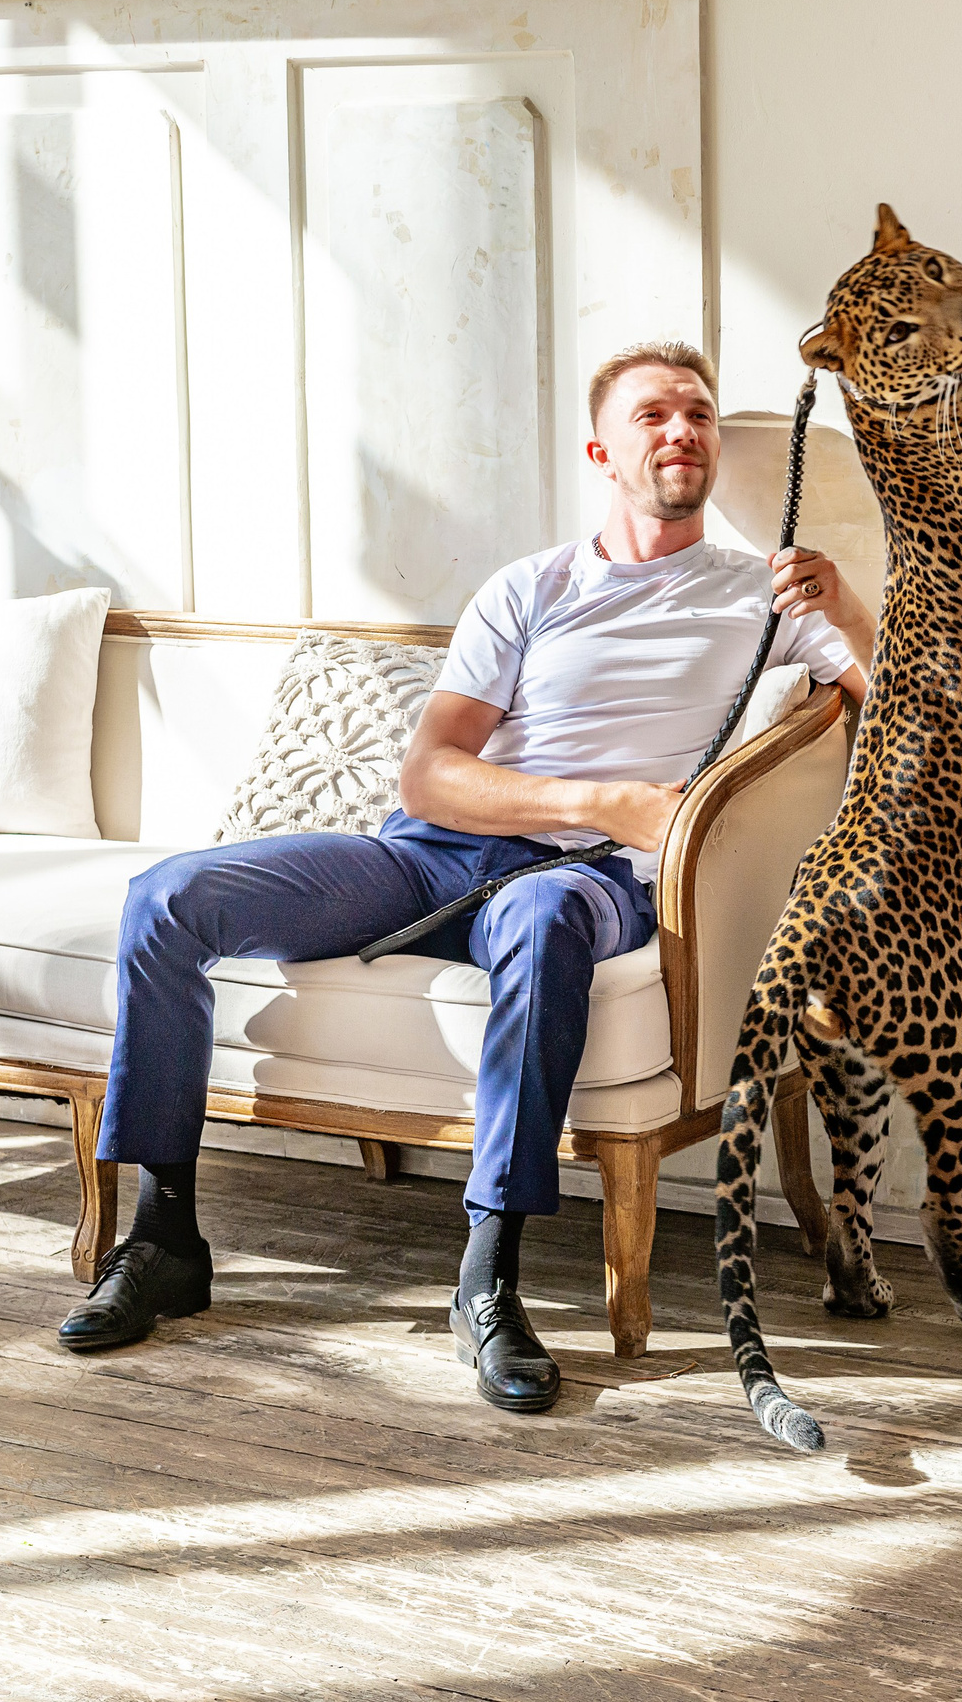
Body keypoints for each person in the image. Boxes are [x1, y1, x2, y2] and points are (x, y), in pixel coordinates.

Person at [57, 341, 876, 1413]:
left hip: (588, 883)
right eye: (653, 416)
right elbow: (432, 775)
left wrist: (854, 610)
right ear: (602, 449)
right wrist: (604, 797)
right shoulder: (529, 587)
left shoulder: (765, 592)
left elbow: (910, 715)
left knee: (542, 918)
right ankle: (164, 1237)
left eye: (700, 415)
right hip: (431, 857)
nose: (682, 432)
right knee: (168, 896)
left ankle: (489, 1274)